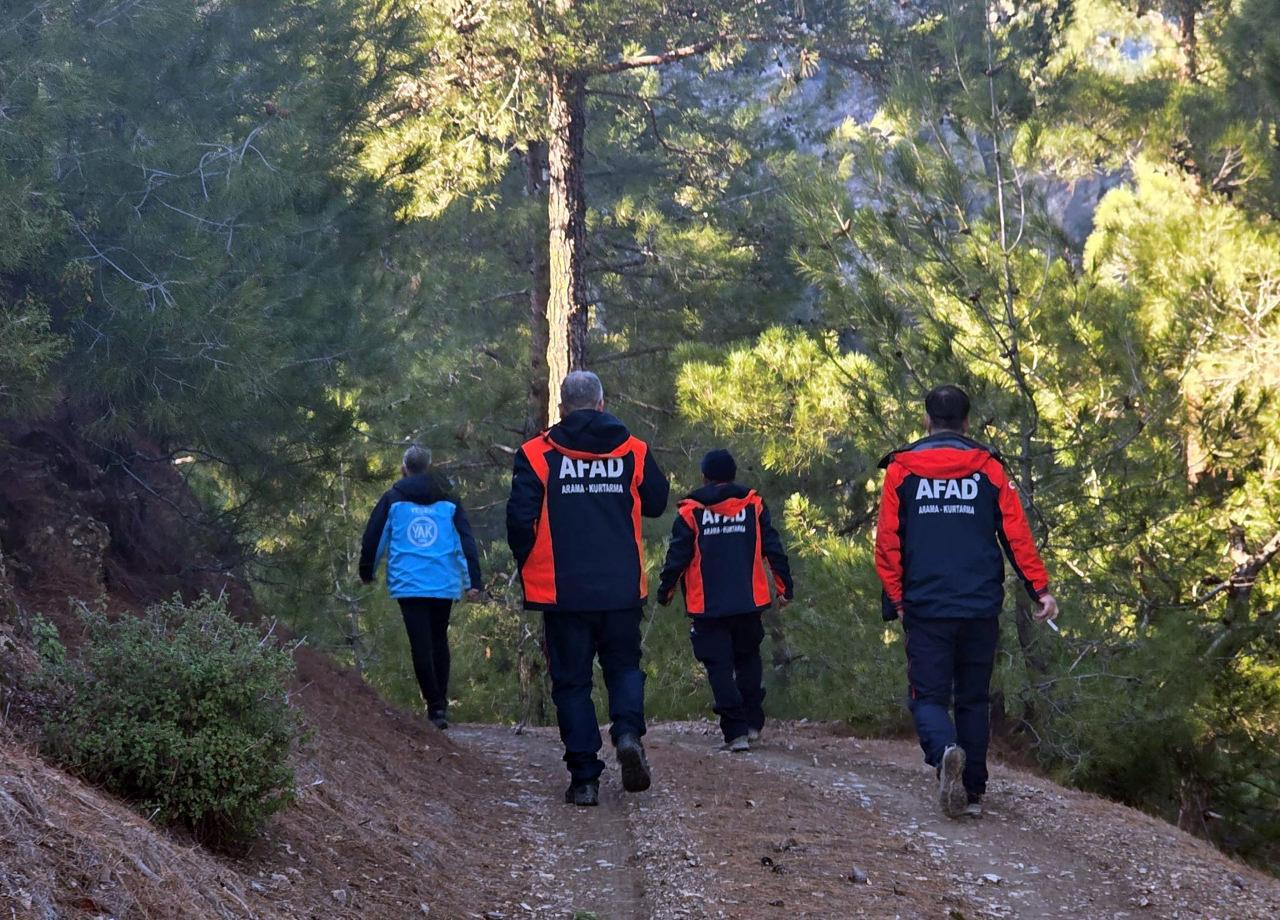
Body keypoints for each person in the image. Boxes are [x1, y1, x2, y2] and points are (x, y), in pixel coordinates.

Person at [874, 385, 1058, 819]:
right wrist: (1040, 589)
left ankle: (945, 754)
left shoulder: (902, 470)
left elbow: (887, 543)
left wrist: (897, 598)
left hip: (926, 607)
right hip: (979, 607)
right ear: (967, 421)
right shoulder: (988, 468)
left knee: (928, 698)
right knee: (974, 699)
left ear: (927, 420)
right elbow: (1016, 534)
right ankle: (972, 793)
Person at [506, 370, 669, 806]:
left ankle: (584, 780)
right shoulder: (633, 449)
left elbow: (519, 520)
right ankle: (628, 733)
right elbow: (657, 502)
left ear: (562, 408)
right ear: (601, 404)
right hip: (620, 588)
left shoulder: (536, 454)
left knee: (572, 683)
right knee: (624, 667)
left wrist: (528, 561)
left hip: (563, 592)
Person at [657, 448, 793, 752]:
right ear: (733, 475)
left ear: (705, 477)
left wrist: (665, 591)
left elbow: (677, 556)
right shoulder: (753, 506)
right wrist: (785, 588)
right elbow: (773, 548)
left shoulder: (691, 512)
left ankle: (736, 732)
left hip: (708, 606)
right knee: (748, 659)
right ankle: (752, 723)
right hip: (748, 601)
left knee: (719, 667)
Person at [359, 444, 483, 730]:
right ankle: (440, 707)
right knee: (438, 640)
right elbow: (465, 540)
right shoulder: (449, 498)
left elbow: (375, 538)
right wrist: (473, 581)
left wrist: (367, 571)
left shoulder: (393, 498)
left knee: (421, 645)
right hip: (443, 582)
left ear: (404, 468)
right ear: (429, 466)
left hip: (409, 583)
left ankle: (435, 706)